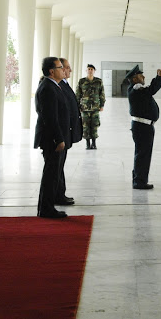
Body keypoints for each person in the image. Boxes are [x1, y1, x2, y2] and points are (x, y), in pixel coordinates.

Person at [34, 57, 71, 219]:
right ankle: (46, 209)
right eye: (60, 67)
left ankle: (48, 207)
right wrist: (58, 139)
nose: (63, 69)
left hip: (55, 137)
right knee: (50, 175)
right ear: (51, 71)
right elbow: (50, 117)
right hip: (52, 140)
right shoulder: (48, 88)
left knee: (53, 174)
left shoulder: (54, 86)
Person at [126, 65, 161, 190]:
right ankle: (139, 181)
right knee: (143, 154)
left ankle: (138, 179)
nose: (143, 77)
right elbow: (152, 89)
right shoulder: (136, 89)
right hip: (142, 127)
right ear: (135, 79)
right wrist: (159, 78)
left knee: (142, 154)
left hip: (143, 126)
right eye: (140, 75)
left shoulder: (136, 89)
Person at [56, 58, 83, 206]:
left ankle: (60, 193)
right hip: (60, 134)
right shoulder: (56, 86)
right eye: (67, 67)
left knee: (60, 165)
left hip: (66, 133)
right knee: (57, 166)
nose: (69, 70)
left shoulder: (63, 84)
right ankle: (57, 195)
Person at [76, 64, 105, 149]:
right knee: (85, 126)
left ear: (94, 71)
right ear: (86, 71)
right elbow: (78, 94)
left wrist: (102, 105)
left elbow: (102, 94)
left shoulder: (98, 81)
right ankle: (87, 143)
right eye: (89, 69)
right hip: (84, 108)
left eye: (92, 69)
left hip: (95, 108)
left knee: (94, 125)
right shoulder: (82, 81)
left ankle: (94, 143)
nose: (90, 70)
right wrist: (78, 106)